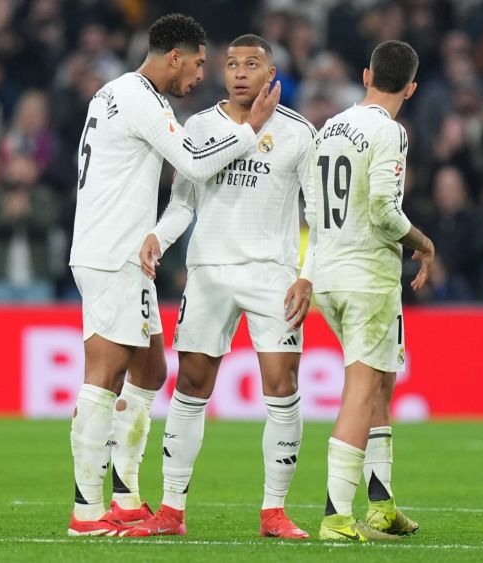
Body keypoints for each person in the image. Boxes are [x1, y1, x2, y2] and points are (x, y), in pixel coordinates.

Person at [66, 13, 279, 537]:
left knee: (150, 371)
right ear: (175, 57)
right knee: (104, 375)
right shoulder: (141, 99)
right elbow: (193, 162)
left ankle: (125, 491)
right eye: (201, 63)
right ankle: (86, 511)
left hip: (123, 248)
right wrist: (250, 129)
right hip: (113, 250)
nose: (203, 75)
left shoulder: (115, 92)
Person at [136, 34, 312, 539]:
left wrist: (308, 274)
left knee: (283, 387)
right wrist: (158, 237)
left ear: (271, 73)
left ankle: (274, 511)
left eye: (251, 64)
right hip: (209, 272)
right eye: (231, 63)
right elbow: (183, 202)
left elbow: (318, 215)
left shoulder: (299, 133)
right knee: (191, 385)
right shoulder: (200, 126)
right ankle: (171, 510)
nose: (238, 72)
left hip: (270, 276)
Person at [298, 40, 434, 542]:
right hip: (367, 277)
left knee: (380, 384)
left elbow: (313, 205)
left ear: (366, 75)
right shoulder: (390, 132)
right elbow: (383, 209)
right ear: (412, 89)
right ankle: (336, 516)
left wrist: (309, 271)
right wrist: (423, 242)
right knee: (361, 387)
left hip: (330, 273)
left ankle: (380, 505)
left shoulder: (331, 126)